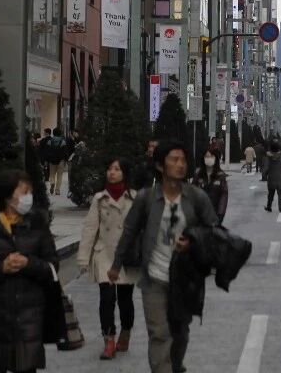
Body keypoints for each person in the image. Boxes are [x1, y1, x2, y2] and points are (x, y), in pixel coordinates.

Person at [109, 141, 219, 373]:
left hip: (185, 279)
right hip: (154, 278)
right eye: (174, 160)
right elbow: (129, 230)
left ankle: (175, 365)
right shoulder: (146, 198)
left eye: (183, 160)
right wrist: (116, 265)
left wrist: (193, 241)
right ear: (160, 165)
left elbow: (214, 230)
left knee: (180, 332)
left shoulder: (196, 197)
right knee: (159, 333)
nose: (180, 165)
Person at [0, 169, 61, 373]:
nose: (28, 197)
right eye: (24, 192)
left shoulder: (37, 225)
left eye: (30, 192)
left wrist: (29, 263)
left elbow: (52, 265)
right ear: (7, 196)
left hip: (29, 316)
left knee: (26, 367)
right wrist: (1, 268)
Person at [79, 158, 140, 360]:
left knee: (125, 300)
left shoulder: (135, 198)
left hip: (127, 257)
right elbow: (90, 229)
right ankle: (109, 339)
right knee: (106, 299)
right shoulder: (99, 199)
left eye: (116, 169)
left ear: (125, 173)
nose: (112, 172)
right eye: (109, 168)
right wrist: (83, 258)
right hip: (104, 254)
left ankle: (126, 331)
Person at [192, 150, 229, 223]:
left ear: (215, 159)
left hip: (214, 213)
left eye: (211, 156)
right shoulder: (198, 175)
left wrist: (220, 214)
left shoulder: (220, 175)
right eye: (207, 157)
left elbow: (224, 195)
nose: (209, 159)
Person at [265, 142, 281, 213]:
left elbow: (266, 167)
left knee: (271, 193)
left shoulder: (268, 157)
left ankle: (269, 206)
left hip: (271, 177)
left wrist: (264, 174)